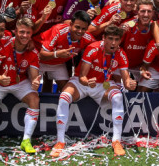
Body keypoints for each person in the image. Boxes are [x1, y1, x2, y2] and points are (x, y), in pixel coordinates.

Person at [51, 25, 137, 158]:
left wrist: (130, 84)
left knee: (118, 97)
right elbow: (82, 76)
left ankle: (116, 141)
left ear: (120, 41)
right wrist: (86, 82)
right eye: (110, 39)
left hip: (102, 85)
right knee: (64, 97)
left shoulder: (121, 53)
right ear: (104, 38)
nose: (113, 43)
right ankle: (60, 141)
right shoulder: (93, 48)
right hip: (82, 83)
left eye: (116, 39)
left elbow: (126, 80)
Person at [0, 18, 42, 154]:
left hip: (20, 82)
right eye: (22, 32)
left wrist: (35, 82)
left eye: (28, 33)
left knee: (34, 99)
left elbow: (34, 75)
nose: (24, 35)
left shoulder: (33, 52)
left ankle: (26, 140)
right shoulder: (3, 45)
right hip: (0, 83)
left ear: (31, 34)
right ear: (15, 32)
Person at [39, 11, 96, 91]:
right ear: (71, 24)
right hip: (39, 61)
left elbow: (99, 48)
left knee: (66, 90)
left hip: (57, 64)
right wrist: (57, 54)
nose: (80, 31)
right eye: (77, 27)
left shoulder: (87, 38)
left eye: (83, 29)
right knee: (32, 87)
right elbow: (41, 56)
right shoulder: (58, 30)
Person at [120, 0, 159, 81]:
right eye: (143, 11)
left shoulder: (155, 25)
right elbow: (114, 47)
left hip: (143, 67)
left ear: (153, 13)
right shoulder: (127, 26)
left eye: (149, 11)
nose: (146, 15)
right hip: (123, 67)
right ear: (137, 12)